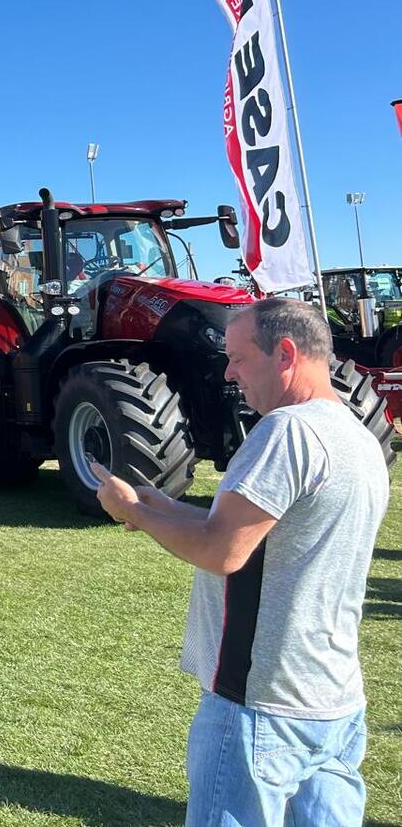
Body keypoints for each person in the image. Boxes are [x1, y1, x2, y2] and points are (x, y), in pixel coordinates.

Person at [94, 298, 388, 827]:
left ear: (286, 354)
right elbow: (268, 535)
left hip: (261, 705)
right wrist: (161, 508)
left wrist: (129, 508)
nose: (228, 373)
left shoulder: (287, 431)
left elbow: (221, 551)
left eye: (238, 357)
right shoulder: (359, 438)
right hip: (334, 700)